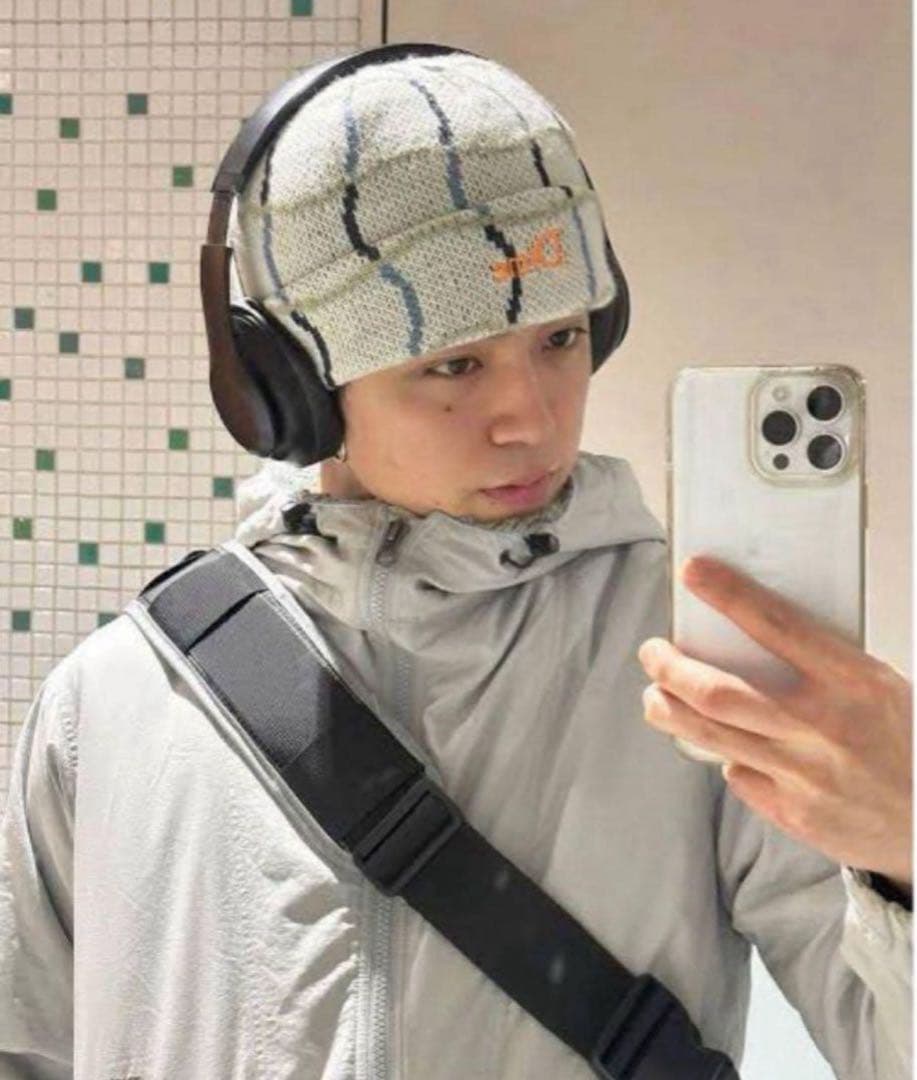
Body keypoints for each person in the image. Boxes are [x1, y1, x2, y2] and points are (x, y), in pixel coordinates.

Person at [0, 45, 912, 1080]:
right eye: (454, 363)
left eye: (559, 340)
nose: (530, 417)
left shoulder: (701, 671)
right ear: (289, 389)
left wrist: (905, 849)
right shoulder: (116, 697)